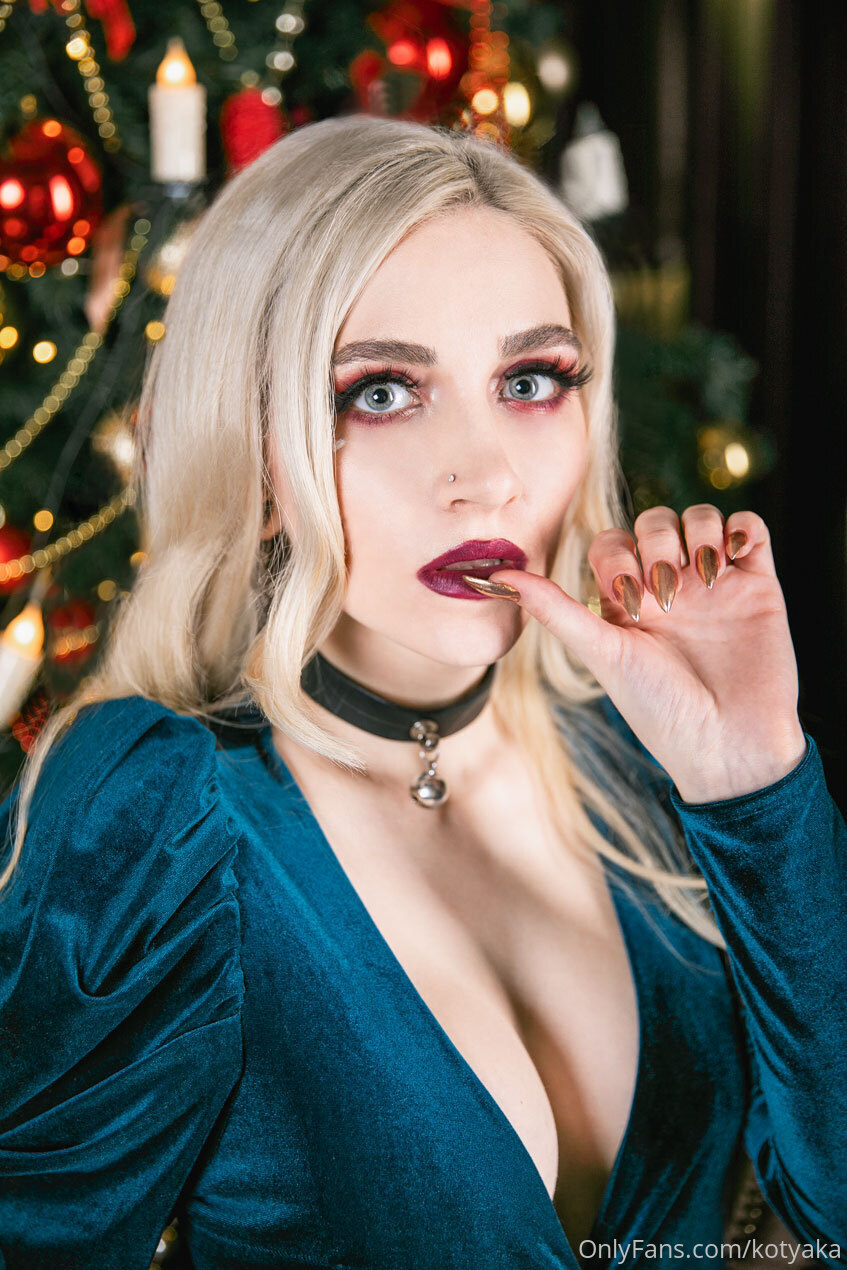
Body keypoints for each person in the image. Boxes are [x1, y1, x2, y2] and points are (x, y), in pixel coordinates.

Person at [0, 114, 844, 1270]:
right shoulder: (152, 820)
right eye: (385, 392)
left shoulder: (650, 770)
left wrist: (753, 780)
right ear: (258, 453)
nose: (485, 476)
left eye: (530, 380)